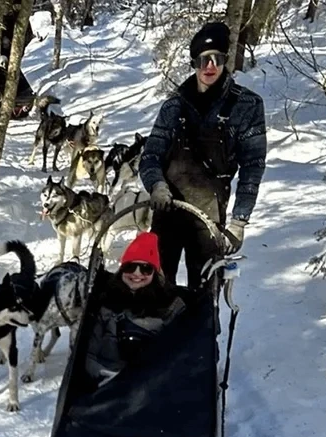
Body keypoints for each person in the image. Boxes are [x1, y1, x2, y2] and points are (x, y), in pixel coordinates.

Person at [139, 21, 267, 292]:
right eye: (202, 60)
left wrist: (239, 220)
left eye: (217, 59)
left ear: (225, 60)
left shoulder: (247, 106)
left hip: (209, 221)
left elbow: (252, 168)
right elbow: (150, 155)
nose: (210, 66)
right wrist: (156, 185)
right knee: (156, 291)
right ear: (194, 63)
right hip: (167, 213)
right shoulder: (174, 106)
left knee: (205, 298)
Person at [85, 232, 188, 385]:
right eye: (130, 267)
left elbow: (179, 355)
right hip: (107, 384)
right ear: (122, 269)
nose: (137, 274)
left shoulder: (170, 305)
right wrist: (103, 375)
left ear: (155, 272)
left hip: (151, 387)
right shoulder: (106, 302)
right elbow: (89, 353)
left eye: (146, 268)